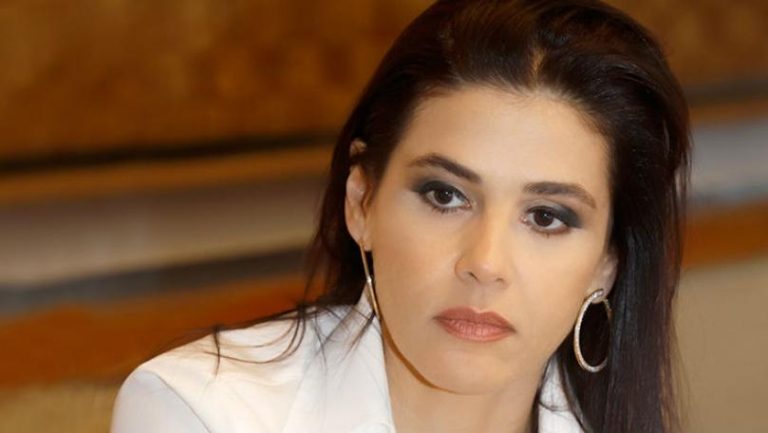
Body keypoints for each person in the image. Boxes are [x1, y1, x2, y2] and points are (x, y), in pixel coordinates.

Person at [111, 0, 690, 432]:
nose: (485, 263)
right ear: (361, 201)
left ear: (606, 264)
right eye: (445, 196)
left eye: (545, 217)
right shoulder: (203, 413)